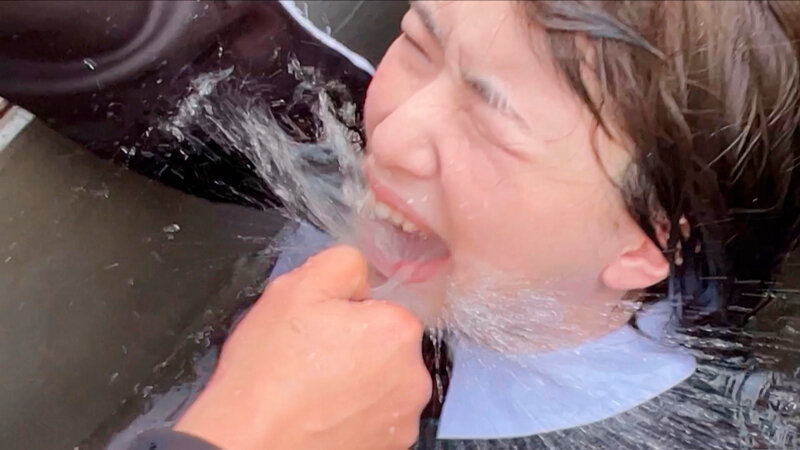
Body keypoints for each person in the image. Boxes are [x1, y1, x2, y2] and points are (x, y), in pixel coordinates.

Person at [134, 0, 800, 447]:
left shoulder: (701, 429)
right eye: (417, 47)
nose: (392, 137)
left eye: (489, 123)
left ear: (647, 241)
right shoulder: (318, 177)